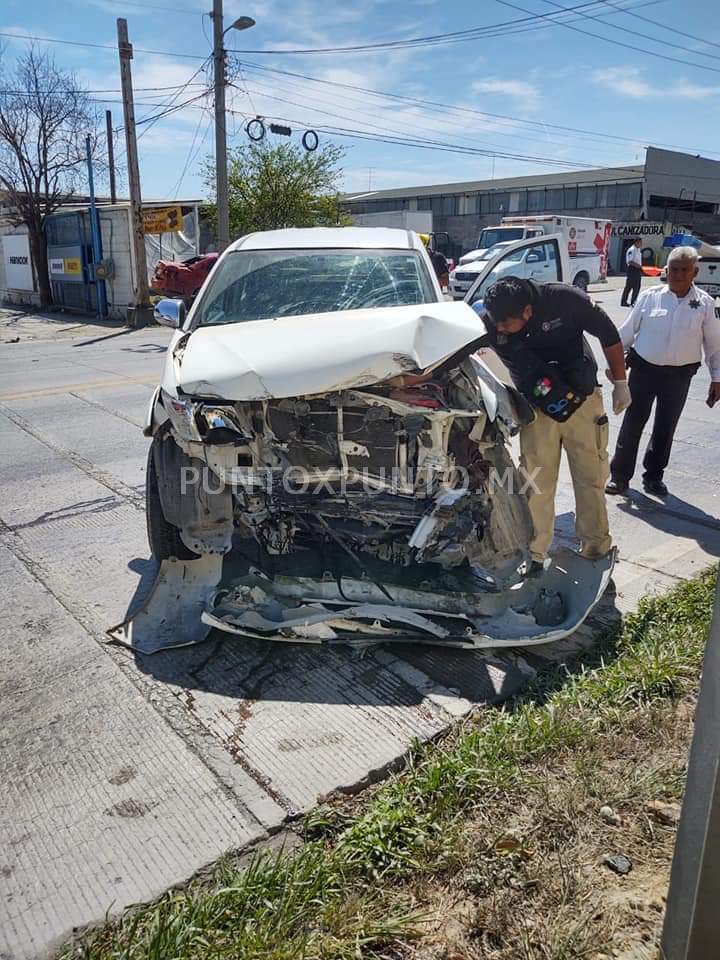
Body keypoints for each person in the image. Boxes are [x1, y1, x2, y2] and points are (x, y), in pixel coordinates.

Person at [481, 276, 630, 572]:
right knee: (536, 482)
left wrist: (621, 381)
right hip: (536, 409)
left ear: (526, 311)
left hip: (582, 401)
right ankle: (534, 553)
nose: (499, 328)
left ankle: (596, 549)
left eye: (505, 323)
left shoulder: (565, 299)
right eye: (496, 322)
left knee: (590, 478)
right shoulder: (494, 318)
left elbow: (609, 333)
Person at [606, 246, 720, 498]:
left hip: (678, 376)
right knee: (632, 423)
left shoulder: (704, 304)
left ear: (694, 272)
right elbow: (626, 333)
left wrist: (717, 378)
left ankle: (654, 476)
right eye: (674, 269)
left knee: (665, 427)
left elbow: (714, 346)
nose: (677, 275)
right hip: (644, 371)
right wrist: (613, 363)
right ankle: (619, 476)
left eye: (684, 270)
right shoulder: (649, 297)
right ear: (667, 270)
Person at [621, 238, 643, 307]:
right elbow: (630, 261)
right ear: (636, 242)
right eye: (640, 242)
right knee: (629, 286)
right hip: (632, 269)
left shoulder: (638, 250)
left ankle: (633, 301)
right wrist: (638, 266)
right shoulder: (632, 250)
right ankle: (623, 301)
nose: (641, 244)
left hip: (638, 269)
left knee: (637, 287)